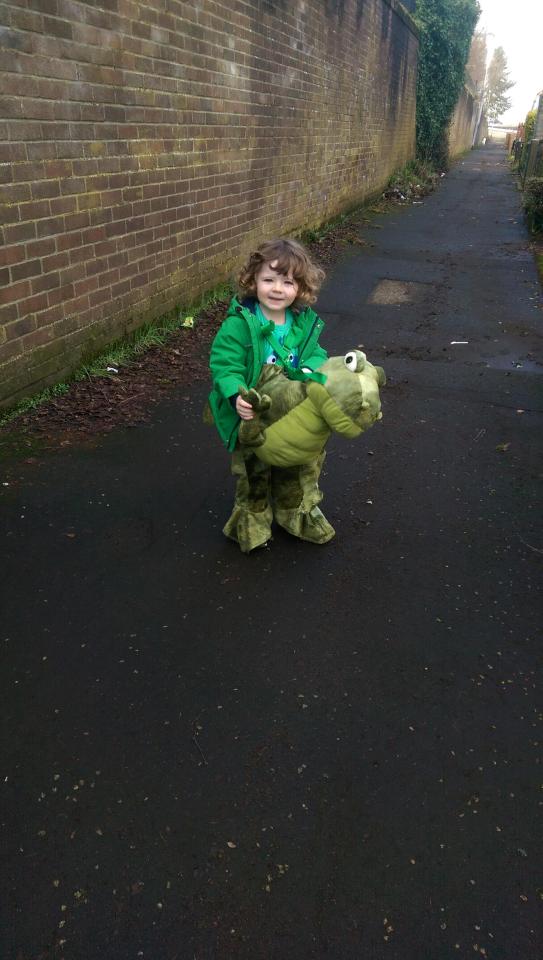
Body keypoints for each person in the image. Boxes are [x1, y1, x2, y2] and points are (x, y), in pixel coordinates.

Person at [207, 237, 333, 553]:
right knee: (254, 474)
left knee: (298, 467)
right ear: (253, 282)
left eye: (287, 282)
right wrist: (237, 397)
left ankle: (296, 514)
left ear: (300, 289)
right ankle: (252, 522)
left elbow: (317, 353)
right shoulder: (239, 325)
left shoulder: (303, 323)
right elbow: (225, 364)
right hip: (254, 413)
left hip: (292, 412)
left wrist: (308, 371)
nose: (277, 289)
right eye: (268, 280)